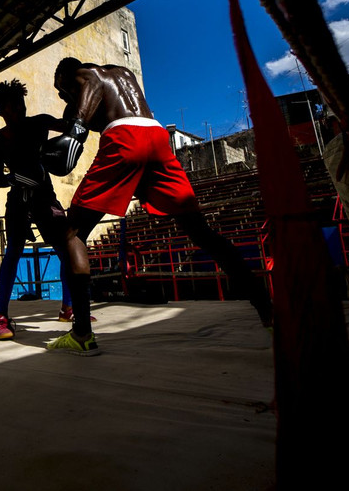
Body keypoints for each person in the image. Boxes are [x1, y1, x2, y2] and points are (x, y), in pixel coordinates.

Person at [41, 57, 274, 355]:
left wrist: (75, 129)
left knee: (72, 233)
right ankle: (267, 310)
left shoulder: (87, 75)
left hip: (125, 139)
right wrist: (67, 116)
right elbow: (96, 102)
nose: (64, 95)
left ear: (69, 74)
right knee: (201, 232)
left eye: (63, 89)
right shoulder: (122, 74)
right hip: (157, 138)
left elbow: (89, 85)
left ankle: (82, 334)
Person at [0, 79, 90, 340]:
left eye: (22, 104)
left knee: (66, 250)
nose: (21, 110)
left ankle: (69, 308)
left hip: (46, 197)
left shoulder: (39, 122)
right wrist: (17, 179)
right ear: (2, 111)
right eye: (13, 107)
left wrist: (74, 101)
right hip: (18, 199)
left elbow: (73, 127)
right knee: (13, 252)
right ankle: (1, 316)